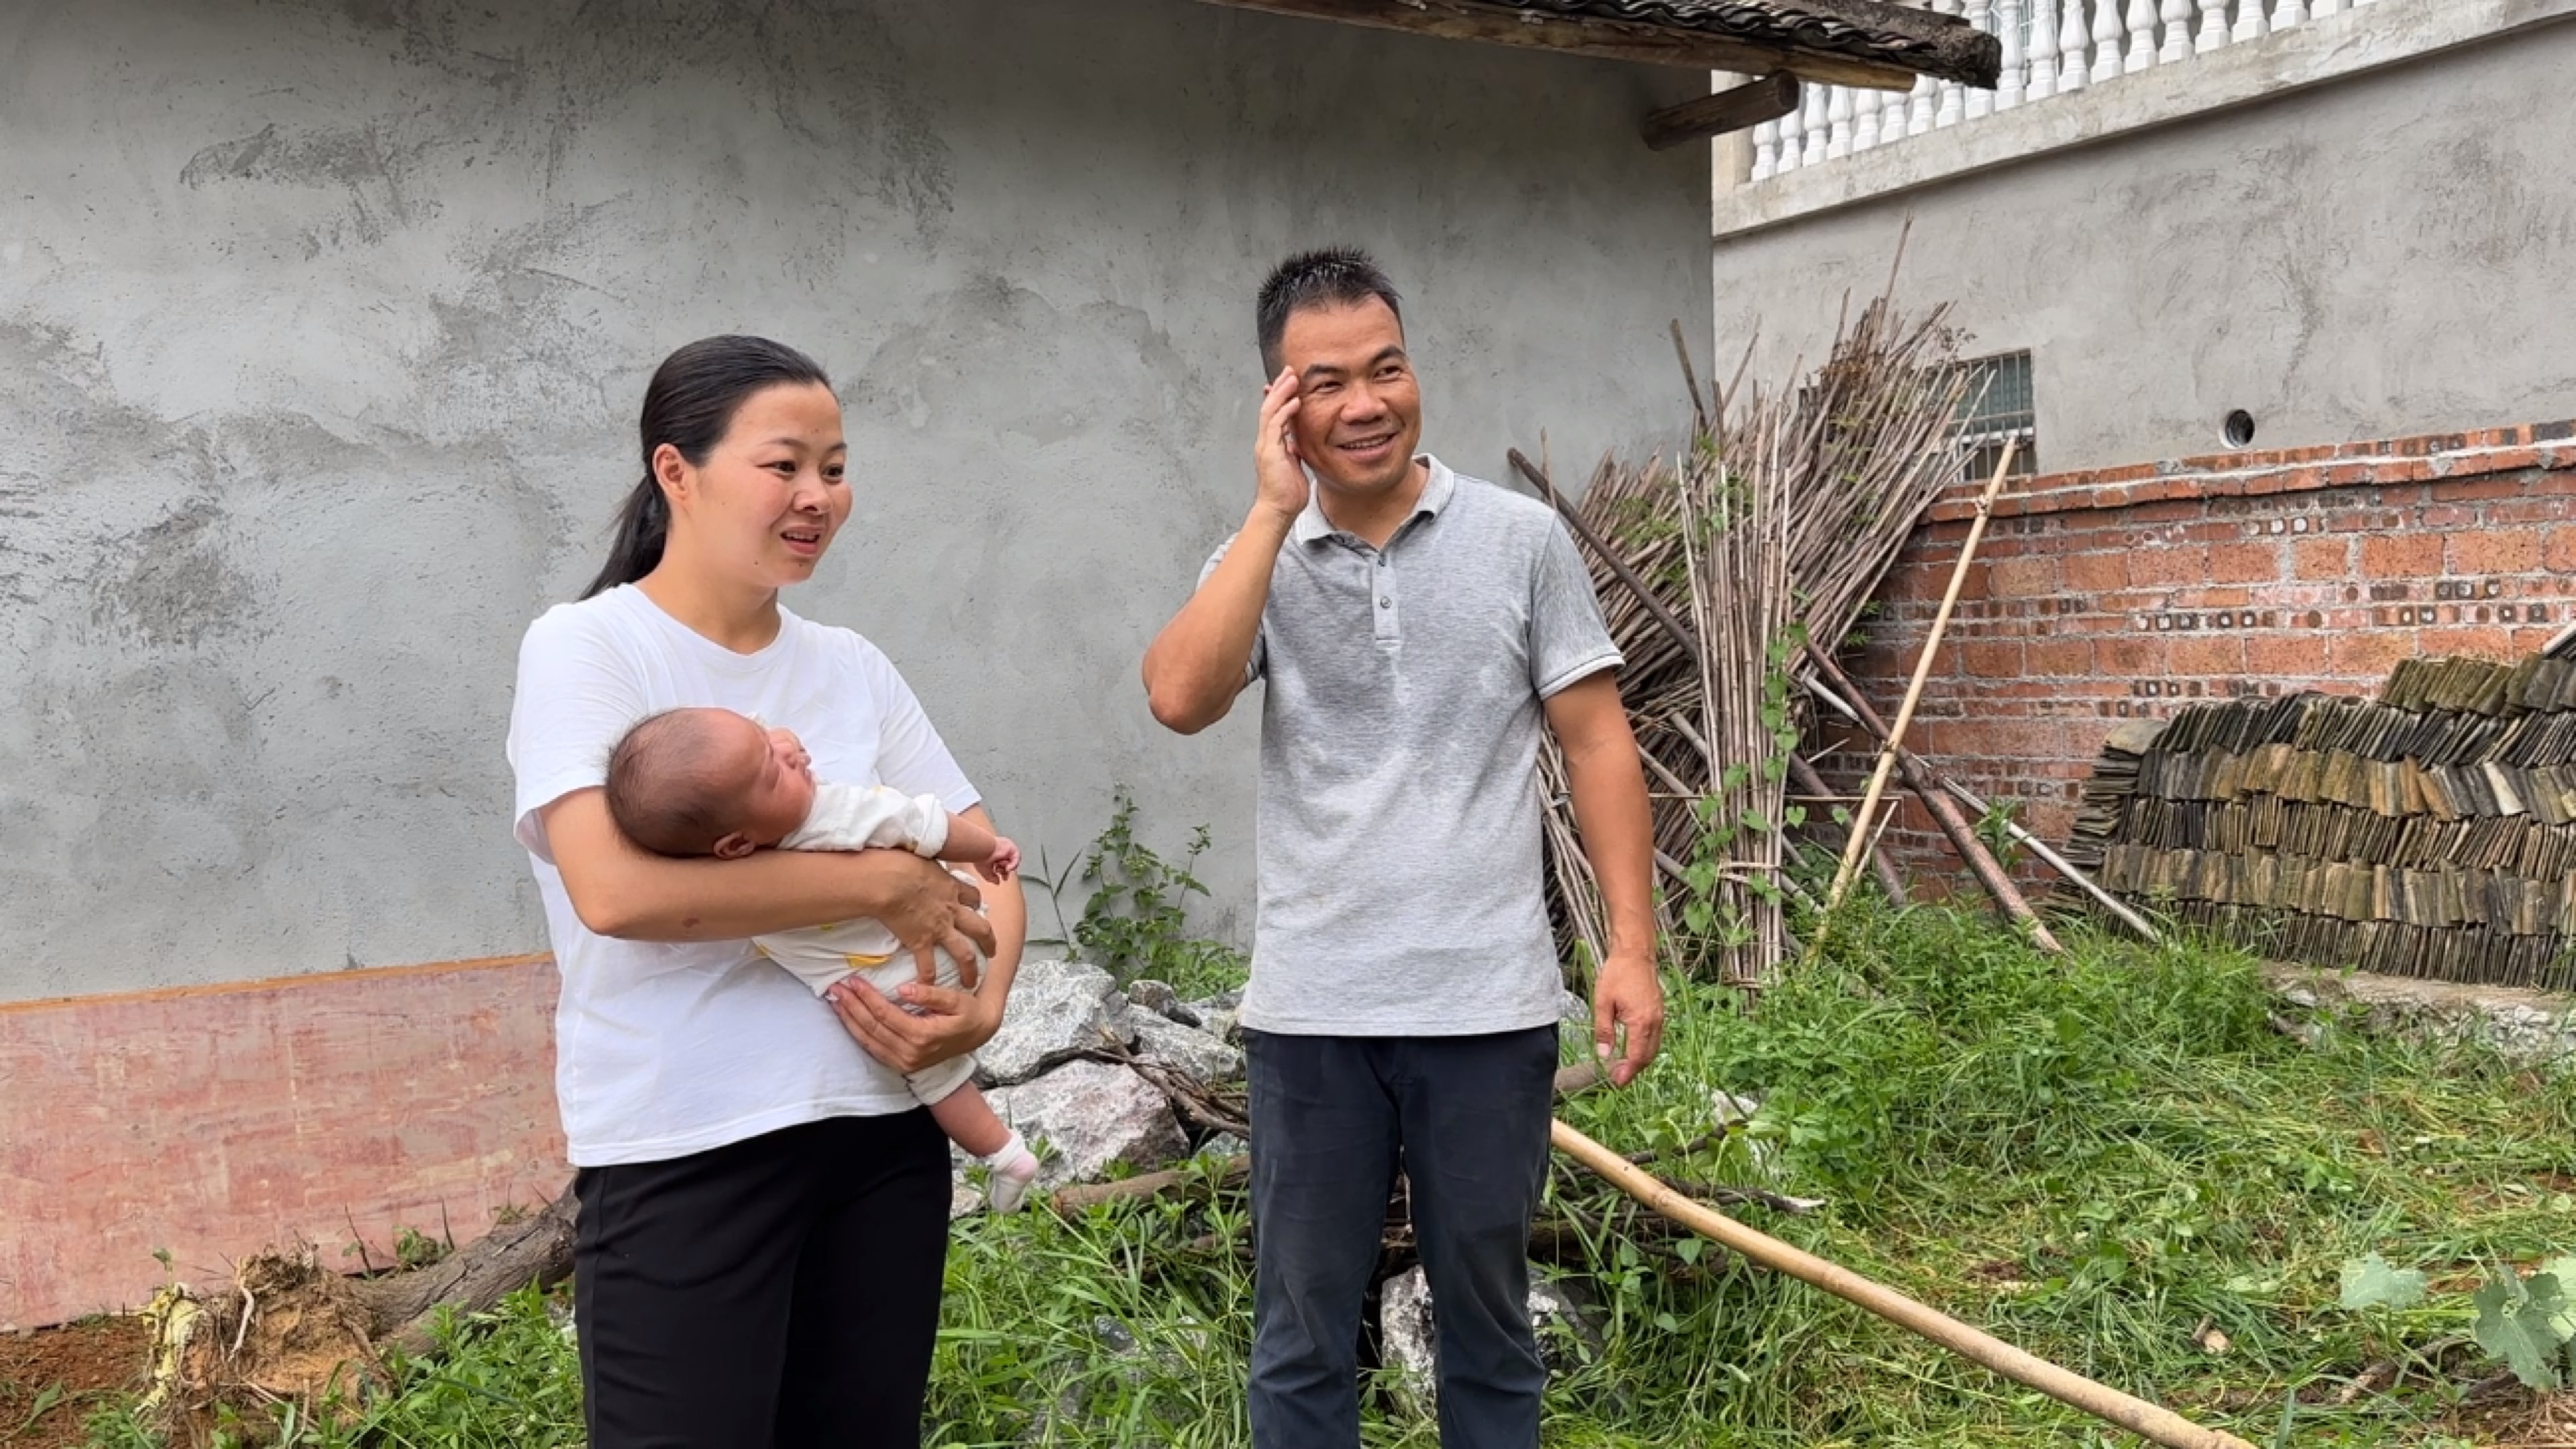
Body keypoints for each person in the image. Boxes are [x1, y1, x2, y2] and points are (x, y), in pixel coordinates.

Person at [1140, 249, 1664, 1448]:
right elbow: (1177, 698)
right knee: (1301, 1330)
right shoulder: (1259, 561)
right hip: (1314, 1010)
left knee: (1488, 1322)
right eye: (1326, 383)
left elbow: (1596, 744)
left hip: (1486, 1003)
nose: (1366, 402)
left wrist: (1628, 950)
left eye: (1387, 368)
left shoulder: (1519, 539)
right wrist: (1272, 512)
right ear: (1282, 406)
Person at [505, 335, 1022, 1446]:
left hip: (882, 1141)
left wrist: (980, 1009)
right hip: (684, 1143)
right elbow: (616, 890)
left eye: (834, 467)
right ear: (675, 473)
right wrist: (885, 881)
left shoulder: (850, 667)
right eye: (783, 465)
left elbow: (983, 857)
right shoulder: (590, 650)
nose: (816, 497)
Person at [600, 704, 1043, 1211]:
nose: (790, 751)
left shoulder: (791, 840)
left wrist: (983, 850)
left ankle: (1003, 1153)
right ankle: (1008, 1155)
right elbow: (924, 822)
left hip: (914, 971)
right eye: (772, 770)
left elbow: (922, 822)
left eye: (767, 735)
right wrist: (988, 849)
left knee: (933, 1077)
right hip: (926, 965)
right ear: (734, 844)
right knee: (933, 1070)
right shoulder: (813, 826)